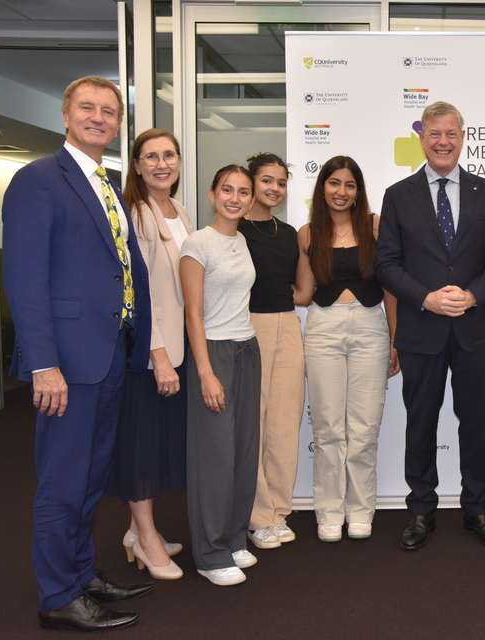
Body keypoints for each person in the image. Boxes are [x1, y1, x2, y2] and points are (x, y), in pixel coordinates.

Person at [3, 76, 154, 631]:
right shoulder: (39, 180)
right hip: (66, 363)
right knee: (63, 482)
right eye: (87, 108)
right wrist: (43, 363)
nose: (99, 117)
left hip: (110, 355)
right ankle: (57, 596)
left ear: (118, 123)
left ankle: (81, 574)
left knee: (91, 478)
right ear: (65, 115)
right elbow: (25, 280)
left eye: (109, 111)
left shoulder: (107, 183)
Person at [376, 101, 485, 551]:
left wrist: (473, 295)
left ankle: (477, 509)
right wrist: (426, 298)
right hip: (421, 329)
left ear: (462, 136)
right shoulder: (398, 194)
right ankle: (420, 510)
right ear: (422, 138)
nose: (443, 141)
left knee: (474, 423)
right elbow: (387, 264)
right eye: (434, 133)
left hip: (473, 330)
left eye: (451, 133)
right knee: (420, 422)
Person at [298, 155, 399, 542]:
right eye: (334, 183)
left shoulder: (375, 227)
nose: (341, 192)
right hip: (323, 329)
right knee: (326, 427)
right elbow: (305, 292)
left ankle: (360, 510)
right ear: (322, 187)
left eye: (349, 185)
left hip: (371, 327)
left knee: (364, 426)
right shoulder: (307, 234)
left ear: (358, 192)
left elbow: (390, 288)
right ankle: (328, 512)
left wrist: (395, 338)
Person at [108, 128, 190, 581]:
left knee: (156, 442)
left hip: (178, 348)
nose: (162, 163)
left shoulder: (178, 210)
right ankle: (145, 536)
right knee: (140, 445)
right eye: (151, 157)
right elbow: (139, 294)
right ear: (137, 166)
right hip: (149, 353)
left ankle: (137, 529)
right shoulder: (136, 214)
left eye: (169, 155)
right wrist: (158, 354)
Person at [180, 165, 261, 586]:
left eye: (243, 192)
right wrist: (206, 372)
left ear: (251, 200)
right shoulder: (198, 243)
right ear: (212, 194)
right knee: (214, 457)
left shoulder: (242, 240)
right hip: (213, 351)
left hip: (248, 348)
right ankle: (209, 554)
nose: (235, 198)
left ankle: (232, 538)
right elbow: (192, 313)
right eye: (227, 190)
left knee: (244, 452)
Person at [238, 153, 309, 550]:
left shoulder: (289, 232)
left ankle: (278, 510)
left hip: (287, 325)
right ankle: (257, 515)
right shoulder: (234, 229)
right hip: (247, 328)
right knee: (255, 425)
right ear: (251, 182)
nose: (274, 189)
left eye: (281, 182)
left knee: (284, 423)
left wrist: (287, 305)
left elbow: (303, 289)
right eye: (267, 181)